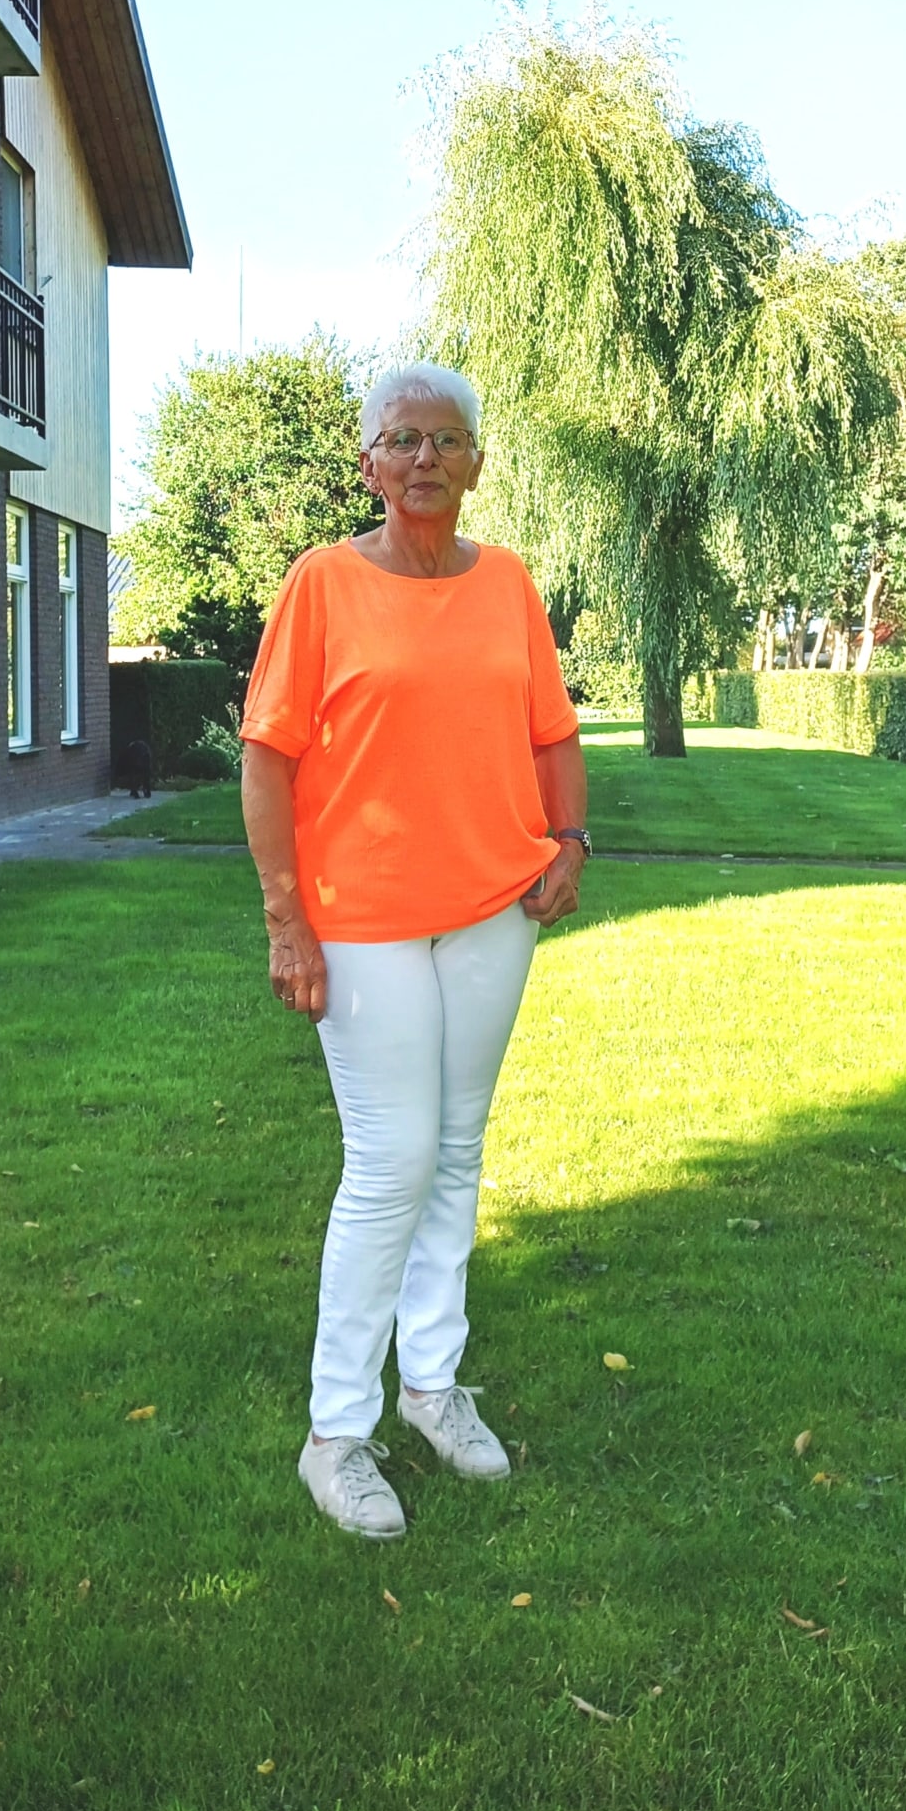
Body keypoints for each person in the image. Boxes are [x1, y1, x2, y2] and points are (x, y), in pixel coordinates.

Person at [240, 362, 589, 1540]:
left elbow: (551, 732)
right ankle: (336, 1432)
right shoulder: (323, 583)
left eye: (447, 439)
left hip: (494, 905)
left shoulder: (509, 584)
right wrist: (286, 918)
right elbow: (268, 760)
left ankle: (433, 1385)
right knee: (391, 1158)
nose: (425, 457)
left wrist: (571, 839)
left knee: (455, 1150)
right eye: (402, 439)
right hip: (361, 915)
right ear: (368, 465)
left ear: (478, 462)